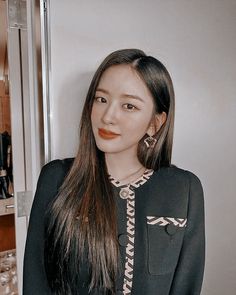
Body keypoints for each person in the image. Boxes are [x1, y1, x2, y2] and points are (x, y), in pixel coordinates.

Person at [23, 49, 205, 295]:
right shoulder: (57, 179)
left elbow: (186, 286)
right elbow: (36, 282)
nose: (107, 116)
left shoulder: (184, 189)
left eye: (129, 106)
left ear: (155, 123)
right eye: (101, 99)